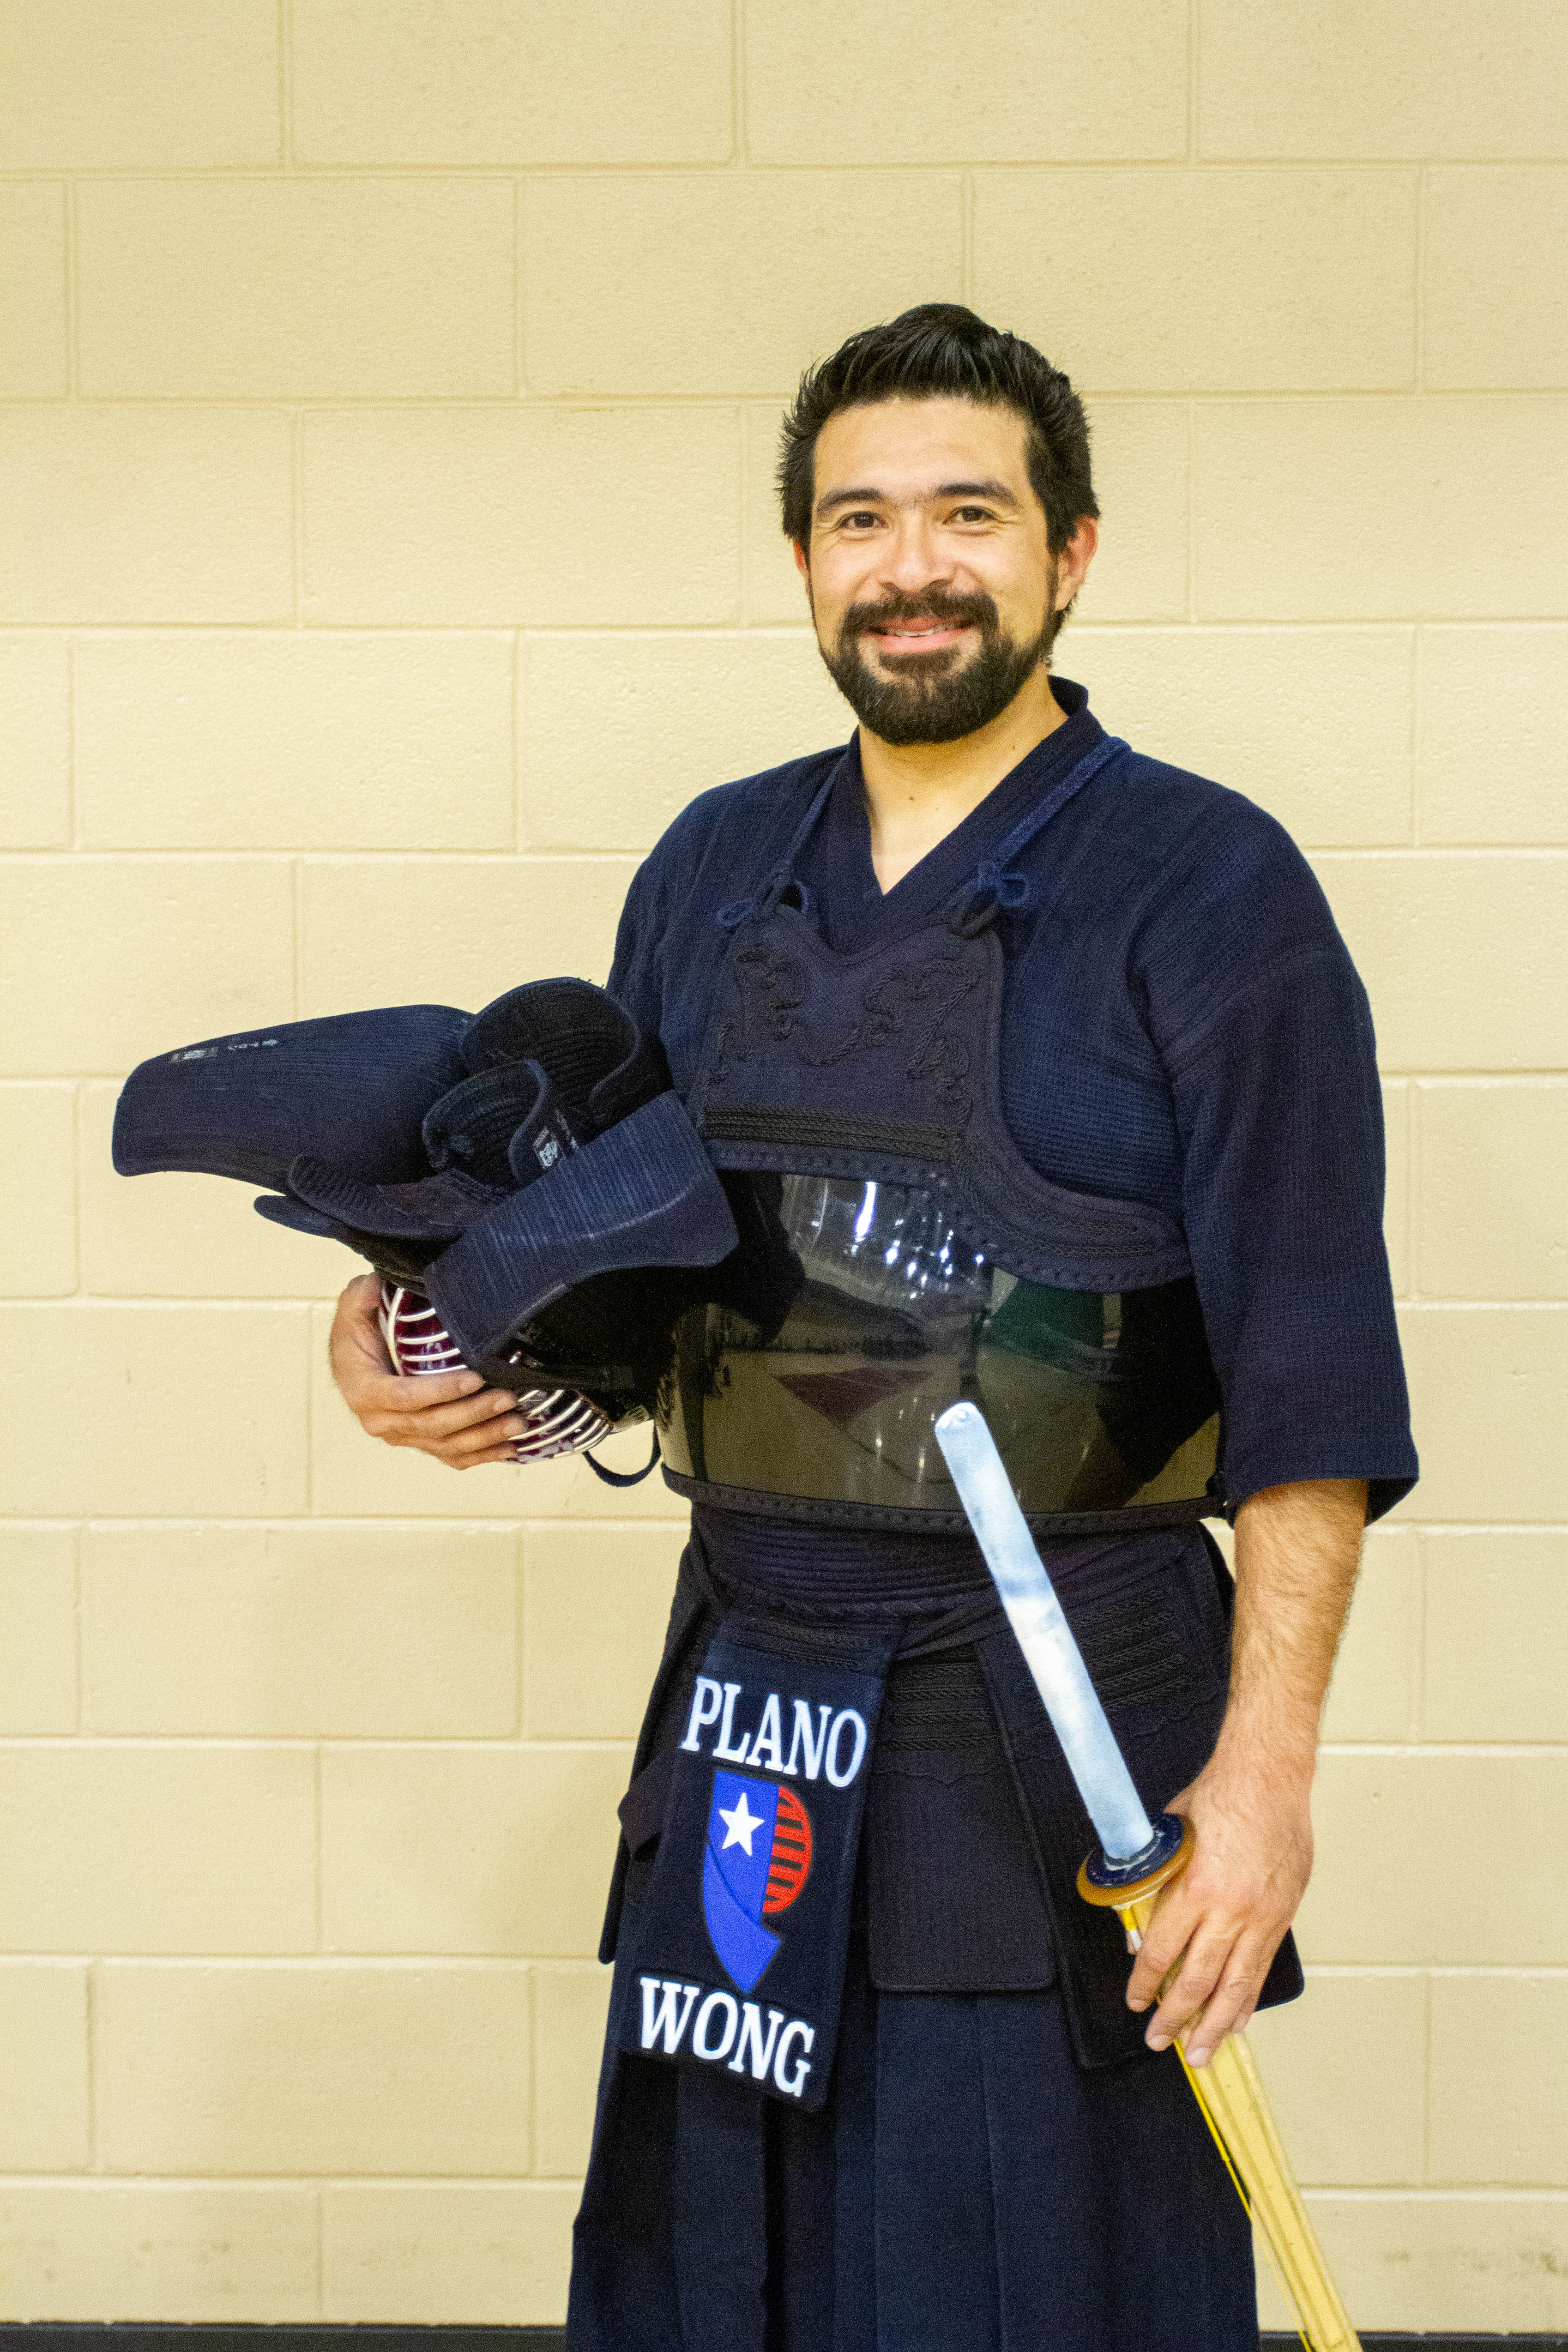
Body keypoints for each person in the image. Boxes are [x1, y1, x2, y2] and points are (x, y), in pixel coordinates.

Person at [331, 304, 1416, 2351]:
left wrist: (1264, 1781)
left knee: (1023, 2281)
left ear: (1069, 551)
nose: (911, 564)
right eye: (860, 519)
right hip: (750, 1715)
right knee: (710, 2284)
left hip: (1059, 1730)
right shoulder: (715, 867)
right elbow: (616, 1283)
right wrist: (415, 1349)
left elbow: (1312, 1374)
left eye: (967, 515)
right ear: (806, 562)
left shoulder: (1211, 891)